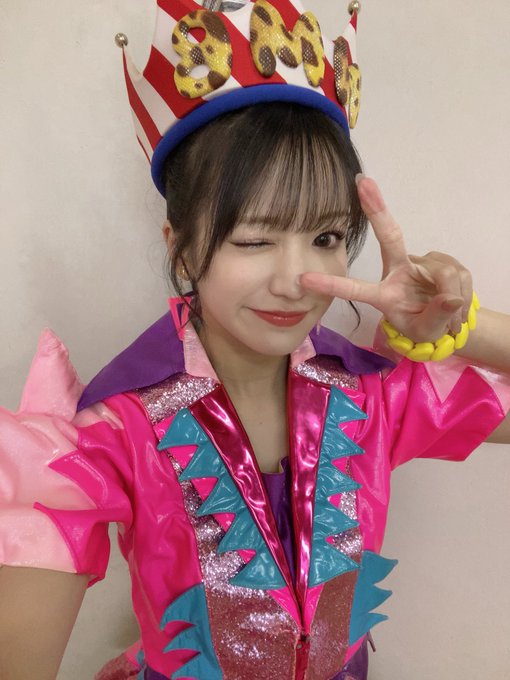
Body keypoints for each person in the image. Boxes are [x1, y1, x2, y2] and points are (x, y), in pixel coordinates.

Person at [1, 1, 509, 679]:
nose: (297, 280)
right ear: (182, 247)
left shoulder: (370, 395)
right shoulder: (111, 432)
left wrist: (455, 328)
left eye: (326, 236)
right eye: (254, 239)